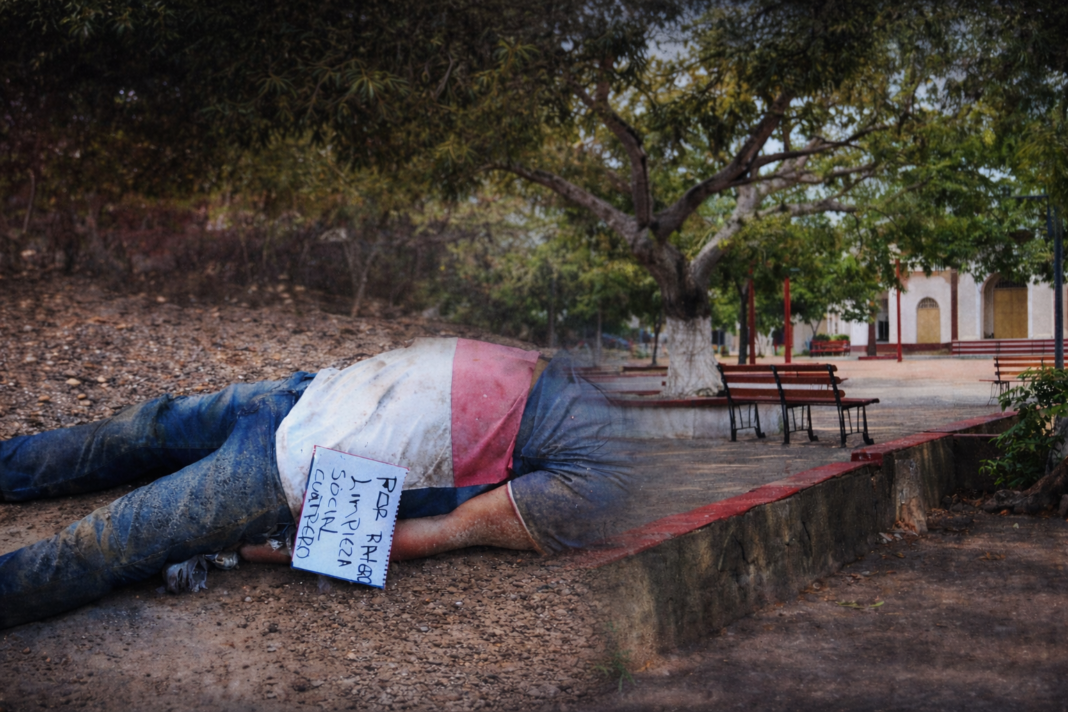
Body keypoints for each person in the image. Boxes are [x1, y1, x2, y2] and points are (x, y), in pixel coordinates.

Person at [0, 338, 631, 629]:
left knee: (110, 538)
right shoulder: (569, 372)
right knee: (133, 432)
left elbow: (440, 532)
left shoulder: (597, 481)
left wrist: (256, 547)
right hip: (303, 393)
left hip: (288, 472)